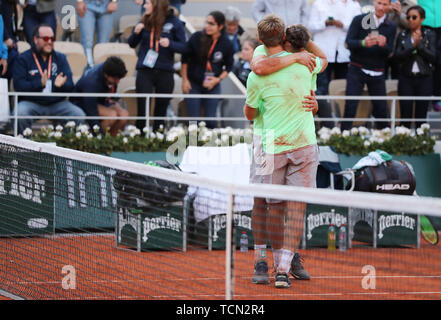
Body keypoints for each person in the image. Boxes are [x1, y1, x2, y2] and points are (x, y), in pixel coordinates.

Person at [244, 16, 326, 288]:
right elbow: (259, 66)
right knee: (261, 202)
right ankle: (261, 259)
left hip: (285, 140)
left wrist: (314, 103)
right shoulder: (263, 59)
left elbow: (249, 111)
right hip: (263, 138)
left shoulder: (302, 62)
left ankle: (286, 259)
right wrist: (300, 53)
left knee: (281, 205)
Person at [12, 24, 85, 134]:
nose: (50, 41)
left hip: (57, 103)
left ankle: (63, 146)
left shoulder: (61, 58)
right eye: (46, 38)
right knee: (19, 114)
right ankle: (25, 147)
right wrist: (39, 83)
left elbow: (70, 85)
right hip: (32, 102)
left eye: (52, 38)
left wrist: (61, 85)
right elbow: (19, 86)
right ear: (36, 40)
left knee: (78, 115)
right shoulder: (23, 59)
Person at [128, 0, 187, 132]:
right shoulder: (144, 20)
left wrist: (170, 44)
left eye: (147, 3)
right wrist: (136, 33)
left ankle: (158, 136)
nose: (144, 6)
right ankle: (141, 137)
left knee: (161, 107)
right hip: (145, 70)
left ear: (156, 5)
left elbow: (184, 47)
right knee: (143, 106)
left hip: (165, 70)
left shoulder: (174, 22)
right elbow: (131, 43)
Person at [342, 0, 397, 131]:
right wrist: (363, 43)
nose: (381, 7)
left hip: (378, 71)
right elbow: (349, 42)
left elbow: (390, 52)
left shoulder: (391, 26)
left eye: (385, 4)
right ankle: (342, 139)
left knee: (381, 109)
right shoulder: (359, 19)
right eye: (379, 3)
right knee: (350, 106)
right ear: (374, 2)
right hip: (357, 68)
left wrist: (383, 45)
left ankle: (384, 141)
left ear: (389, 5)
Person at [307, 0, 361, 128]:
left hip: (343, 53)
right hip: (323, 53)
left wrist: (341, 24)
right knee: (322, 89)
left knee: (340, 89)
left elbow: (357, 27)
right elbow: (311, 27)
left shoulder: (354, 5)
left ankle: (340, 123)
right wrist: (324, 23)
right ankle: (326, 124)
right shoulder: (318, 4)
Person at [181, 11, 234, 128]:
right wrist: (185, 80)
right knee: (193, 121)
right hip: (193, 83)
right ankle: (193, 144)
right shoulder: (196, 37)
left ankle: (208, 145)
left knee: (210, 121)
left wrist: (217, 80)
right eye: (207, 23)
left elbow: (229, 66)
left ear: (220, 26)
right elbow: (184, 60)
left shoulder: (226, 43)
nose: (207, 26)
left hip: (212, 84)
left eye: (211, 24)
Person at [394, 5, 436, 129]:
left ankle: (421, 143)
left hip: (424, 78)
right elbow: (397, 57)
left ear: (422, 19)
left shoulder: (430, 34)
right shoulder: (402, 35)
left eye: (414, 17)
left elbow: (434, 57)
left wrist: (420, 46)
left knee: (421, 116)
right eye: (408, 17)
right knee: (405, 114)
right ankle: (403, 142)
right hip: (406, 78)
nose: (410, 20)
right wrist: (412, 46)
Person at [71, 56, 128, 136]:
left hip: (100, 101)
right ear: (106, 75)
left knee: (124, 115)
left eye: (119, 78)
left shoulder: (110, 69)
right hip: (81, 103)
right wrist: (98, 134)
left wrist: (112, 99)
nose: (118, 81)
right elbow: (91, 113)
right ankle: (100, 140)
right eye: (115, 79)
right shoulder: (91, 82)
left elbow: (111, 90)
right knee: (112, 115)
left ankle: (111, 142)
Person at [77, 0, 119, 69]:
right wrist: (79, 1)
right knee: (87, 42)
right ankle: (89, 69)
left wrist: (114, 1)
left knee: (103, 43)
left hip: (107, 4)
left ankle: (101, 69)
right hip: (87, 4)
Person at [417, 0, 441, 111]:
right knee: (424, 61)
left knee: (439, 63)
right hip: (424, 27)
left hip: (440, 28)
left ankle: (437, 98)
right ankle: (423, 100)